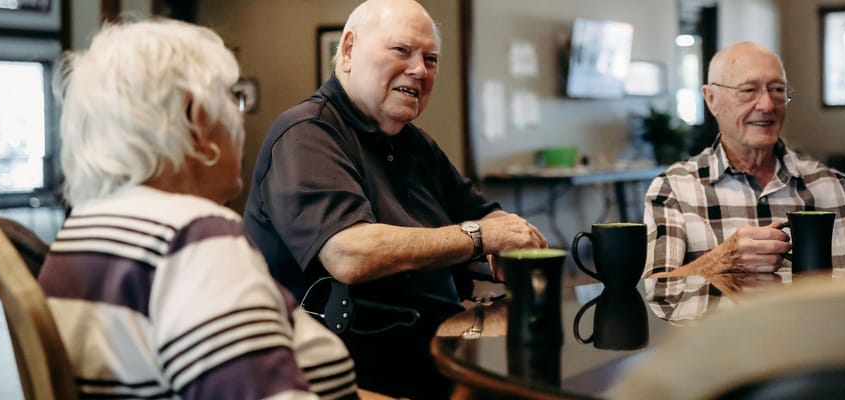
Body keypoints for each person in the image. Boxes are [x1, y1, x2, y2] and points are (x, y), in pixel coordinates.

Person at [38, 18, 361, 399]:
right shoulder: (194, 238)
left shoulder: (83, 228)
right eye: (232, 98)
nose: (240, 118)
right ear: (195, 117)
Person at [242, 0, 546, 397]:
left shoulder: (415, 144)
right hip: (355, 379)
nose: (420, 70)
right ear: (348, 51)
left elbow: (489, 218)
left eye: (431, 59)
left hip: (438, 354)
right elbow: (350, 254)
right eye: (401, 51)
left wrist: (508, 242)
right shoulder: (307, 134)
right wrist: (478, 238)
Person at [643, 41, 845, 278]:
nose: (767, 105)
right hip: (727, 339)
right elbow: (655, 288)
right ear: (711, 98)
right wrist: (720, 260)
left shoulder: (832, 185)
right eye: (748, 90)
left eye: (777, 89)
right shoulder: (674, 190)